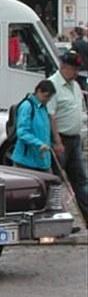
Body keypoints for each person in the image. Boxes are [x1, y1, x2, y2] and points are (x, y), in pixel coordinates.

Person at [48, 50, 88, 218]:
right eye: (74, 69)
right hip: (61, 140)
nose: (76, 73)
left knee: (81, 180)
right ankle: (56, 217)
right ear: (64, 66)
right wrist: (57, 141)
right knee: (56, 182)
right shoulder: (52, 85)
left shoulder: (75, 85)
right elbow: (51, 115)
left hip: (75, 139)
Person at [10, 80, 56, 171]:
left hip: (41, 161)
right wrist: (39, 144)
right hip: (26, 162)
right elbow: (22, 132)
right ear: (38, 91)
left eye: (49, 98)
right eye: (46, 96)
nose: (47, 100)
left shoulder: (43, 107)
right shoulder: (27, 106)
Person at [70, 26, 88, 91]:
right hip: (86, 69)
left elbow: (71, 56)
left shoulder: (75, 44)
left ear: (75, 33)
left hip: (79, 70)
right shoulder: (85, 43)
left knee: (78, 88)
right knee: (85, 87)